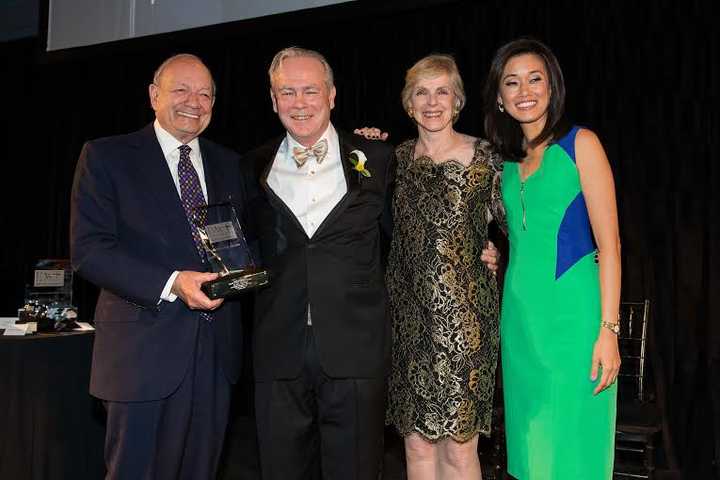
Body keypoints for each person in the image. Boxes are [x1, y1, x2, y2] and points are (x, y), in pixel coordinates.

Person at [70, 54, 246, 479]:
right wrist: (172, 282)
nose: (194, 101)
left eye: (205, 93)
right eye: (181, 90)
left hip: (215, 358)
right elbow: (89, 250)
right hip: (140, 357)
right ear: (153, 95)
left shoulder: (228, 163)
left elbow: (241, 240)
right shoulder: (107, 156)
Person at [241, 47, 395, 480]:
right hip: (277, 350)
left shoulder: (378, 159)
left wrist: (483, 250)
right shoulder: (251, 165)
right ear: (273, 101)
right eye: (287, 91)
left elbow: (407, 236)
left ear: (331, 96)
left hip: (356, 352)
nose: (300, 102)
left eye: (311, 90)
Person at [483, 38, 621, 479]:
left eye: (535, 78)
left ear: (552, 87)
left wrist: (609, 331)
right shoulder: (504, 164)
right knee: (531, 456)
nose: (524, 90)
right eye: (512, 82)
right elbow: (523, 242)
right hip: (520, 325)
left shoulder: (582, 144)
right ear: (500, 99)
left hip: (574, 326)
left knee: (572, 454)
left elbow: (611, 246)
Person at [379, 54, 503, 480]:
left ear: (458, 101)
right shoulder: (392, 160)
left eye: (442, 91)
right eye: (421, 92)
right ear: (409, 104)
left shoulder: (486, 158)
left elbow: (521, 230)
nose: (432, 102)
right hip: (407, 320)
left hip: (465, 323)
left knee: (459, 449)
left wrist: (499, 254)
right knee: (415, 446)